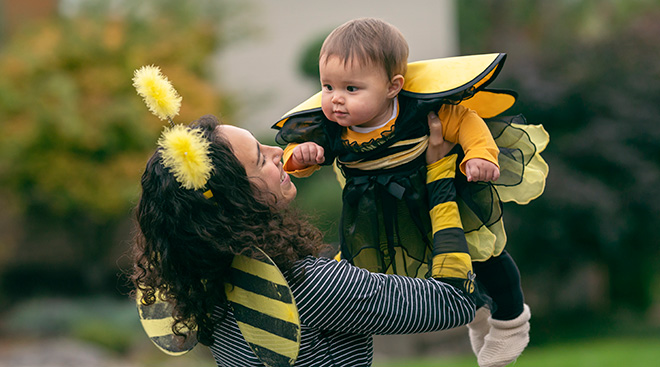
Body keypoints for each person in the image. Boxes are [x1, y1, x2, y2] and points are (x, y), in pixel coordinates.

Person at [272, 17, 548, 367]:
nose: (335, 100)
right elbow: (305, 153)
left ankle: (511, 322)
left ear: (392, 86)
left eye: (351, 89)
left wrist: (480, 155)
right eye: (328, 87)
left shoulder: (418, 112)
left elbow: (465, 121)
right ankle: (478, 311)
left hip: (440, 195)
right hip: (380, 216)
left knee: (484, 255)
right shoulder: (330, 127)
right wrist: (300, 157)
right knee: (409, 271)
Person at [131, 113, 477, 367]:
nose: (277, 151)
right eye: (260, 158)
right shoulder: (310, 286)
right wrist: (440, 178)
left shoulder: (206, 288)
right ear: (236, 200)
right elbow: (455, 302)